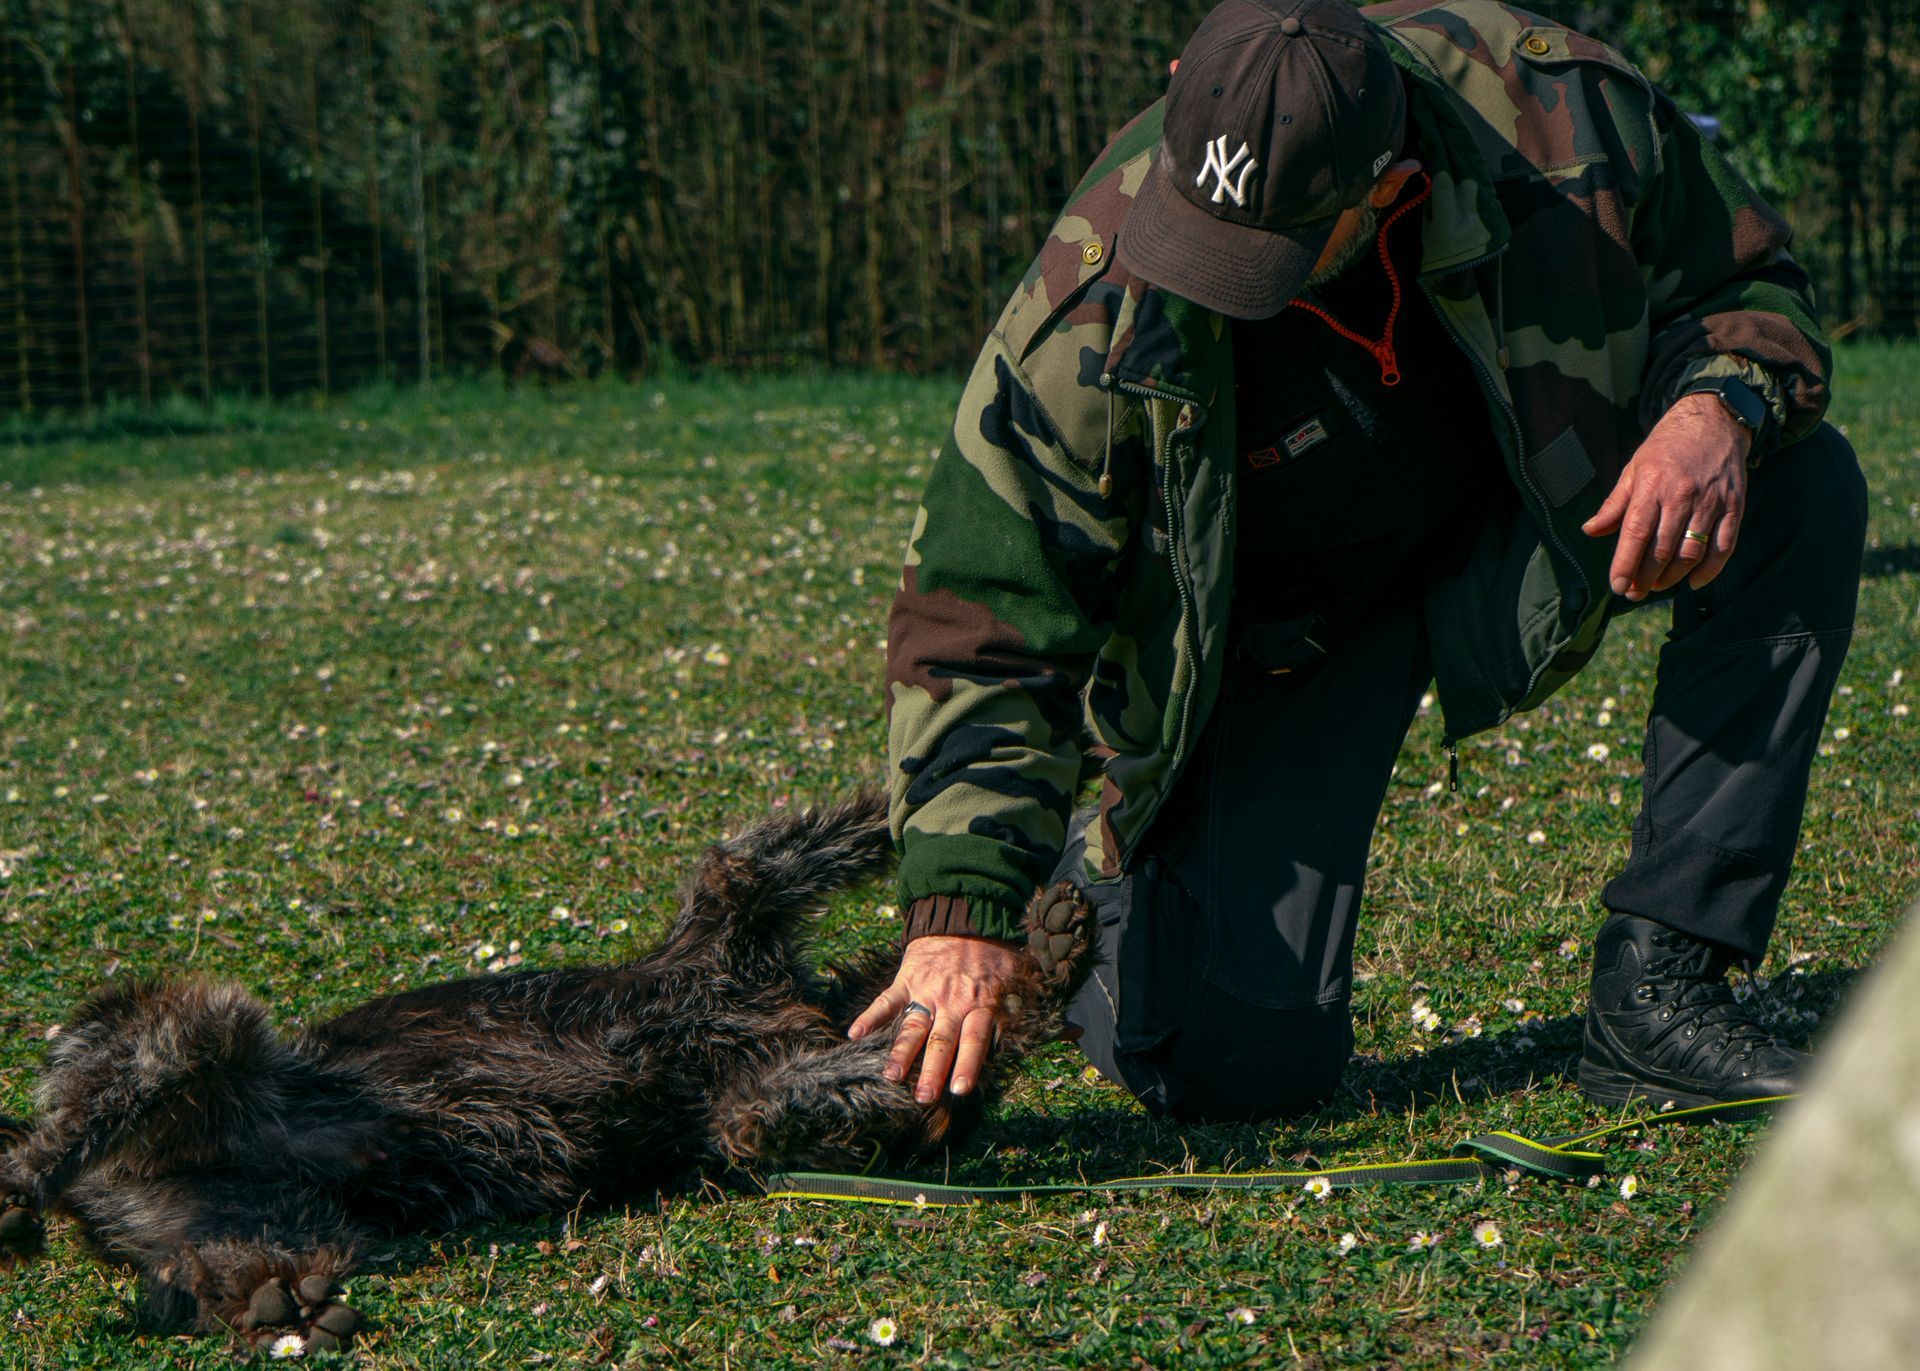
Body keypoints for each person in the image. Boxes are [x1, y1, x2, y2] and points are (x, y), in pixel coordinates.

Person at [848, 0, 1867, 1122]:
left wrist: (1717, 405)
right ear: (1181, 79)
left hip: (1520, 534)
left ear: (1391, 189)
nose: (1210, 269)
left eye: (1271, 251)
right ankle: (1105, 896)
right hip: (1287, 635)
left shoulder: (1571, 120)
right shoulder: (1092, 298)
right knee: (1238, 1065)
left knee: (1794, 484)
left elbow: (1748, 288)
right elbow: (987, 607)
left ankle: (1664, 989)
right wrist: (963, 910)